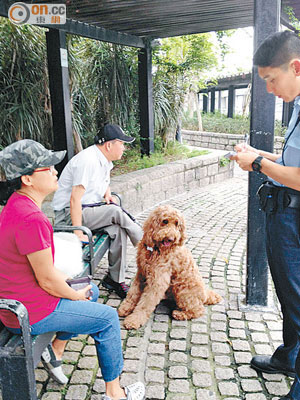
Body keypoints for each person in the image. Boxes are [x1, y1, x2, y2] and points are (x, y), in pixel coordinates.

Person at [0, 139, 145, 400]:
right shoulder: (31, 218)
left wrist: (72, 284)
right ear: (27, 179)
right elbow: (46, 280)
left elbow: (39, 270)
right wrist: (73, 293)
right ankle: (115, 394)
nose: (56, 171)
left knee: (92, 291)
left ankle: (56, 350)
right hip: (28, 312)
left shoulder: (15, 206)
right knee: (108, 319)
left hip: (21, 302)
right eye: (47, 167)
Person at [232, 31, 300, 400]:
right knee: (291, 298)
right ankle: (290, 356)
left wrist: (256, 162)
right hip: (285, 217)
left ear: (296, 67)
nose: (270, 90)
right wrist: (260, 154)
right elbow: (292, 161)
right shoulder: (298, 104)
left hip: (295, 219)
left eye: (271, 79)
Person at [52, 124, 143, 299]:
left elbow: (103, 180)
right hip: (69, 217)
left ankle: (115, 279)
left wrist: (107, 194)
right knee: (114, 212)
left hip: (89, 210)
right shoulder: (87, 161)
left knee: (117, 230)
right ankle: (145, 242)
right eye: (121, 143)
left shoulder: (104, 160)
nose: (124, 147)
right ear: (109, 145)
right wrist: (78, 233)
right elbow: (74, 200)